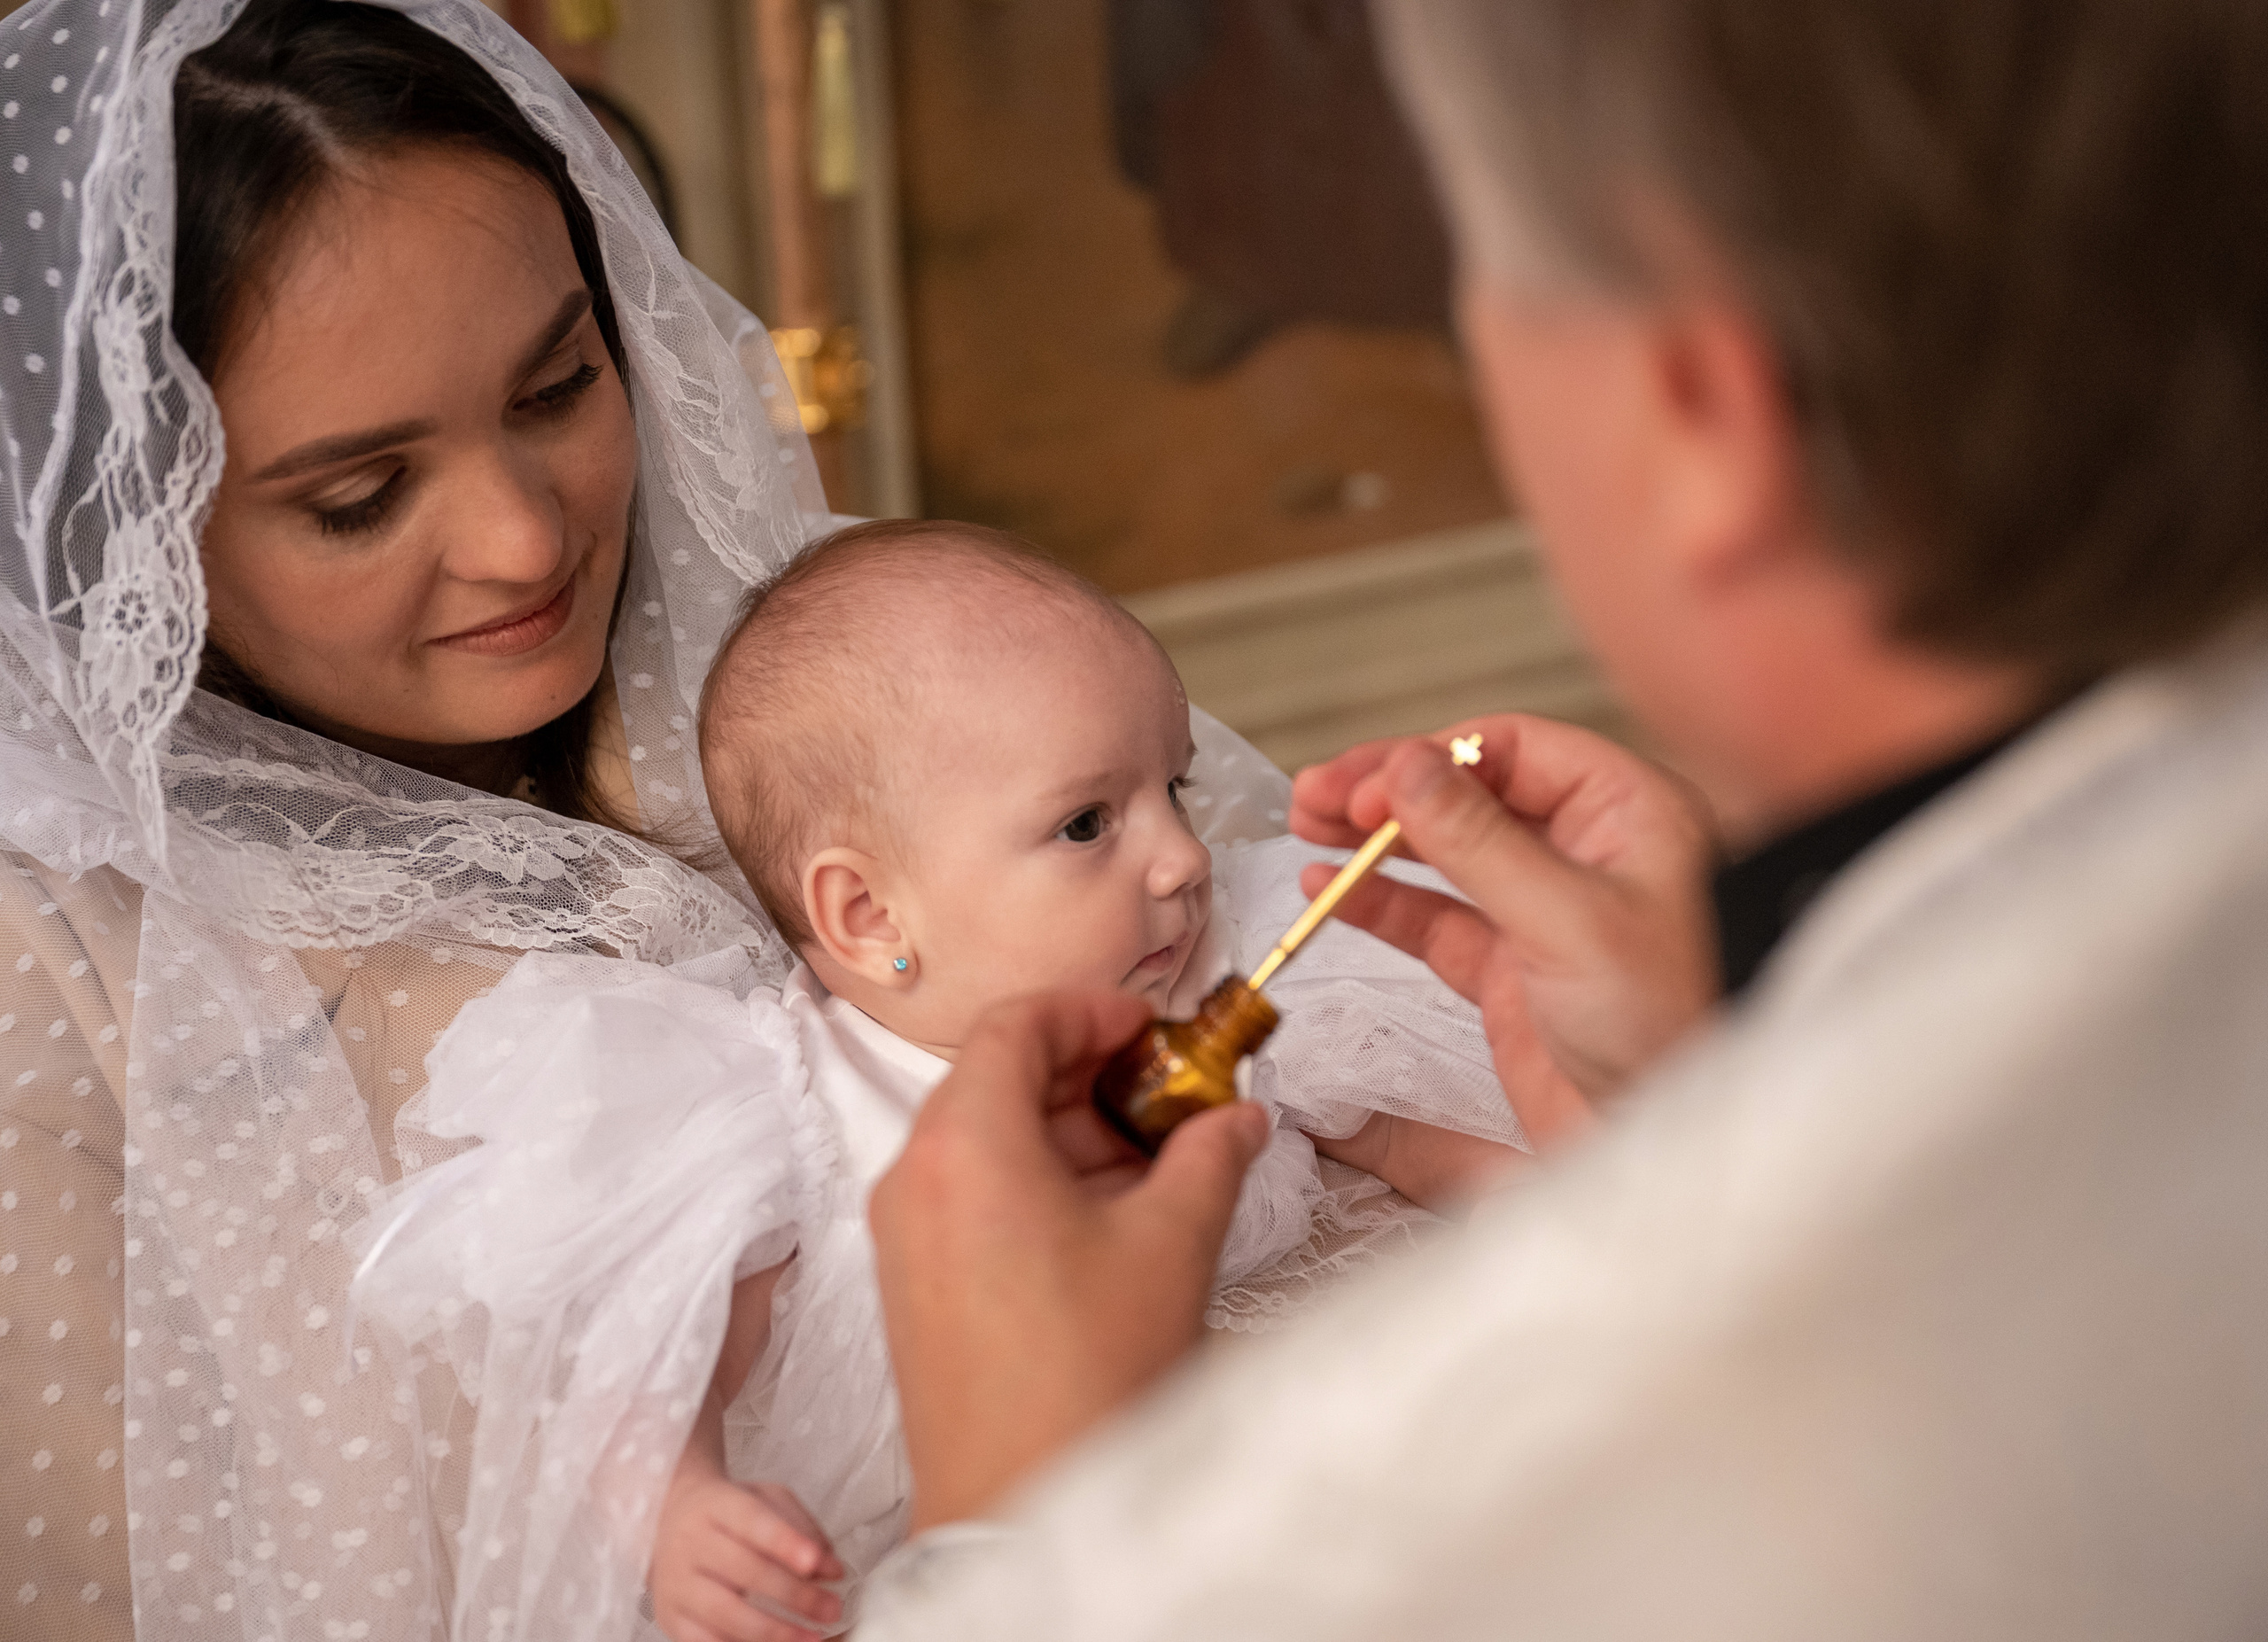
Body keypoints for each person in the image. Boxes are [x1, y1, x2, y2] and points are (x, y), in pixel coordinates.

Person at [849, 1, 2268, 1637]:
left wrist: (1029, 1529)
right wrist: (1708, 1069)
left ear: (1700, 413)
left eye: (1481, 281)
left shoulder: (1377, 1546)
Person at [0, 5, 1315, 1639]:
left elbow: (1268, 952)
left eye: (560, 384)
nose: (522, 537)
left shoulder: (850, 657)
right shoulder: (56, 999)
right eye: (359, 497)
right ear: (116, 529)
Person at [348, 519, 1518, 1642]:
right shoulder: (790, 1120)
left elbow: (1418, 1138)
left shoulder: (1229, 976)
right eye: (1085, 823)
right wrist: (677, 1507)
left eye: (1177, 785)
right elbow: (650, 1356)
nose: (1183, 856)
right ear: (868, 915)